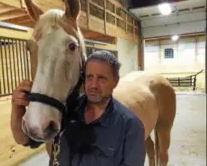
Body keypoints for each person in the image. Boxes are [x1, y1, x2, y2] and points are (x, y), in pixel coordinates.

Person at [11, 50, 146, 166]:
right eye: (89, 77)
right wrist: (18, 106)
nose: (93, 85)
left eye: (101, 79)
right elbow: (23, 139)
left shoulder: (130, 126)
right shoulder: (65, 111)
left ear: (115, 81)